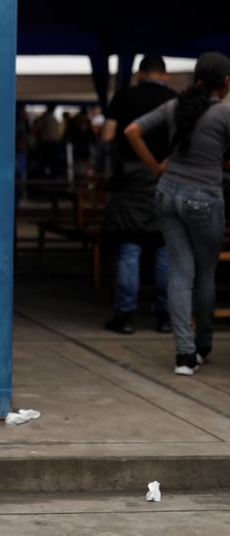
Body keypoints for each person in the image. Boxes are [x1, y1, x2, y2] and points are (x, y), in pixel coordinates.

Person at [125, 51, 230, 376]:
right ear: (225, 83)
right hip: (204, 200)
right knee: (205, 274)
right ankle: (203, 344)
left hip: (166, 194)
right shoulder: (224, 114)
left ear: (196, 79)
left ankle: (184, 355)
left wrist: (157, 167)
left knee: (180, 274)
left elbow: (131, 131)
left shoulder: (175, 107)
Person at [101, 54, 177, 334]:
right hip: (167, 178)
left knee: (129, 249)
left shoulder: (123, 97)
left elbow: (107, 136)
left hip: (131, 178)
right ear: (165, 75)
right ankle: (165, 317)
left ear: (138, 74)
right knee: (165, 249)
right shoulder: (176, 99)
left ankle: (125, 316)